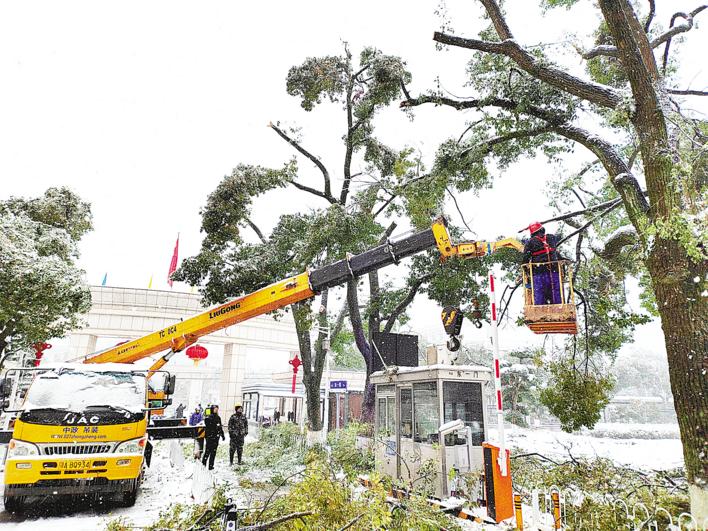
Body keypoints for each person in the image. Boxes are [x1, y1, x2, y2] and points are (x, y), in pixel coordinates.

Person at [522, 222, 563, 305]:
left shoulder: (530, 242)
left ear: (532, 233)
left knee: (540, 295)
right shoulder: (551, 238)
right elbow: (559, 236)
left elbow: (525, 259)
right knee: (556, 294)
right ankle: (559, 308)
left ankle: (540, 311)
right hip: (554, 271)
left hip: (538, 273)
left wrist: (527, 272)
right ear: (542, 229)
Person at [201, 404, 225, 470]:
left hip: (216, 437)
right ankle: (203, 465)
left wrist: (222, 435)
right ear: (212, 409)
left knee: (213, 453)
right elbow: (207, 424)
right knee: (207, 452)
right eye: (215, 409)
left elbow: (220, 427)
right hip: (209, 437)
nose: (216, 410)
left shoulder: (218, 417)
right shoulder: (208, 418)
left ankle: (211, 466)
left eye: (217, 409)